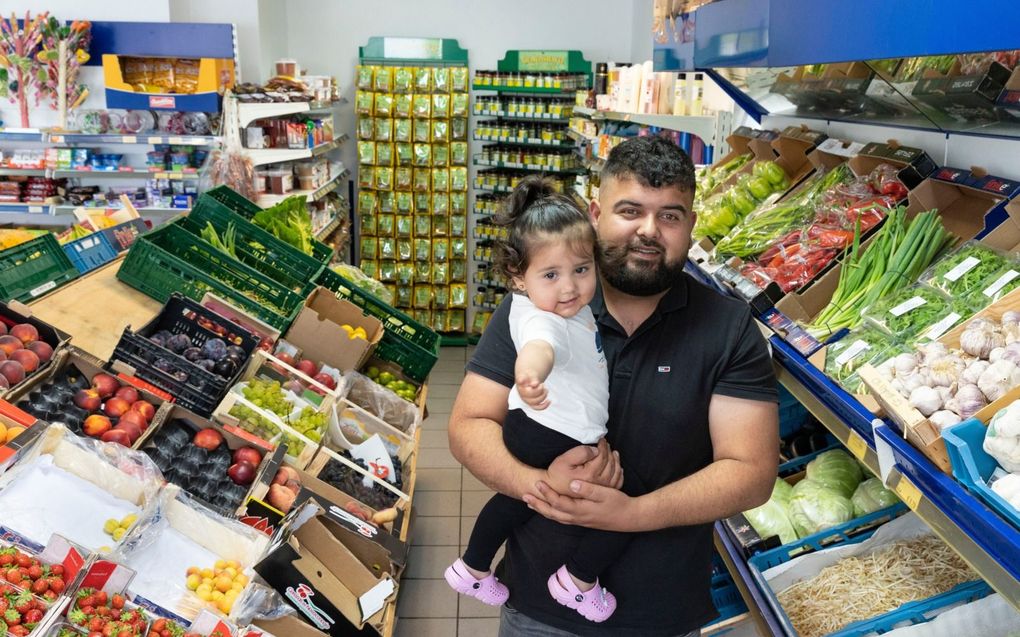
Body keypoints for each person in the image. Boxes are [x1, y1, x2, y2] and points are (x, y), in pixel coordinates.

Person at [449, 135, 779, 637]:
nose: (649, 231)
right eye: (631, 211)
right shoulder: (541, 303)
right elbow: (468, 425)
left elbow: (751, 473)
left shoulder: (728, 328)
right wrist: (539, 488)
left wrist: (634, 514)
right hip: (535, 611)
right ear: (596, 212)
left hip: (662, 616)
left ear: (691, 224)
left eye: (670, 215)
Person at [445, 176, 640, 623]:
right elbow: (540, 347)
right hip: (553, 428)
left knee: (516, 501)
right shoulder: (543, 318)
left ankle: (472, 566)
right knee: (621, 508)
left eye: (581, 270)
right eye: (551, 275)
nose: (569, 287)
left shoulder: (549, 303)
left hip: (544, 426)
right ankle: (577, 580)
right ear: (519, 276)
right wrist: (530, 374)